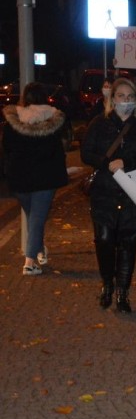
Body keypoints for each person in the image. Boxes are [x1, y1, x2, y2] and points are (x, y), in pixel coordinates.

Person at [80, 77, 136, 312]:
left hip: (133, 192)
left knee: (128, 242)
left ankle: (123, 291)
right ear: (112, 99)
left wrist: (128, 161)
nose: (126, 101)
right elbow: (86, 153)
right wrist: (106, 162)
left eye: (130, 96)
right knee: (103, 239)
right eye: (121, 96)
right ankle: (107, 284)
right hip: (104, 191)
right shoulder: (99, 123)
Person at [2, 82, 68, 275]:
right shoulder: (54, 119)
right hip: (45, 179)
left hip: (19, 179)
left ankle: (40, 251)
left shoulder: (13, 122)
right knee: (37, 219)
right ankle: (29, 262)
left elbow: (7, 147)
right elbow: (59, 149)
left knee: (34, 217)